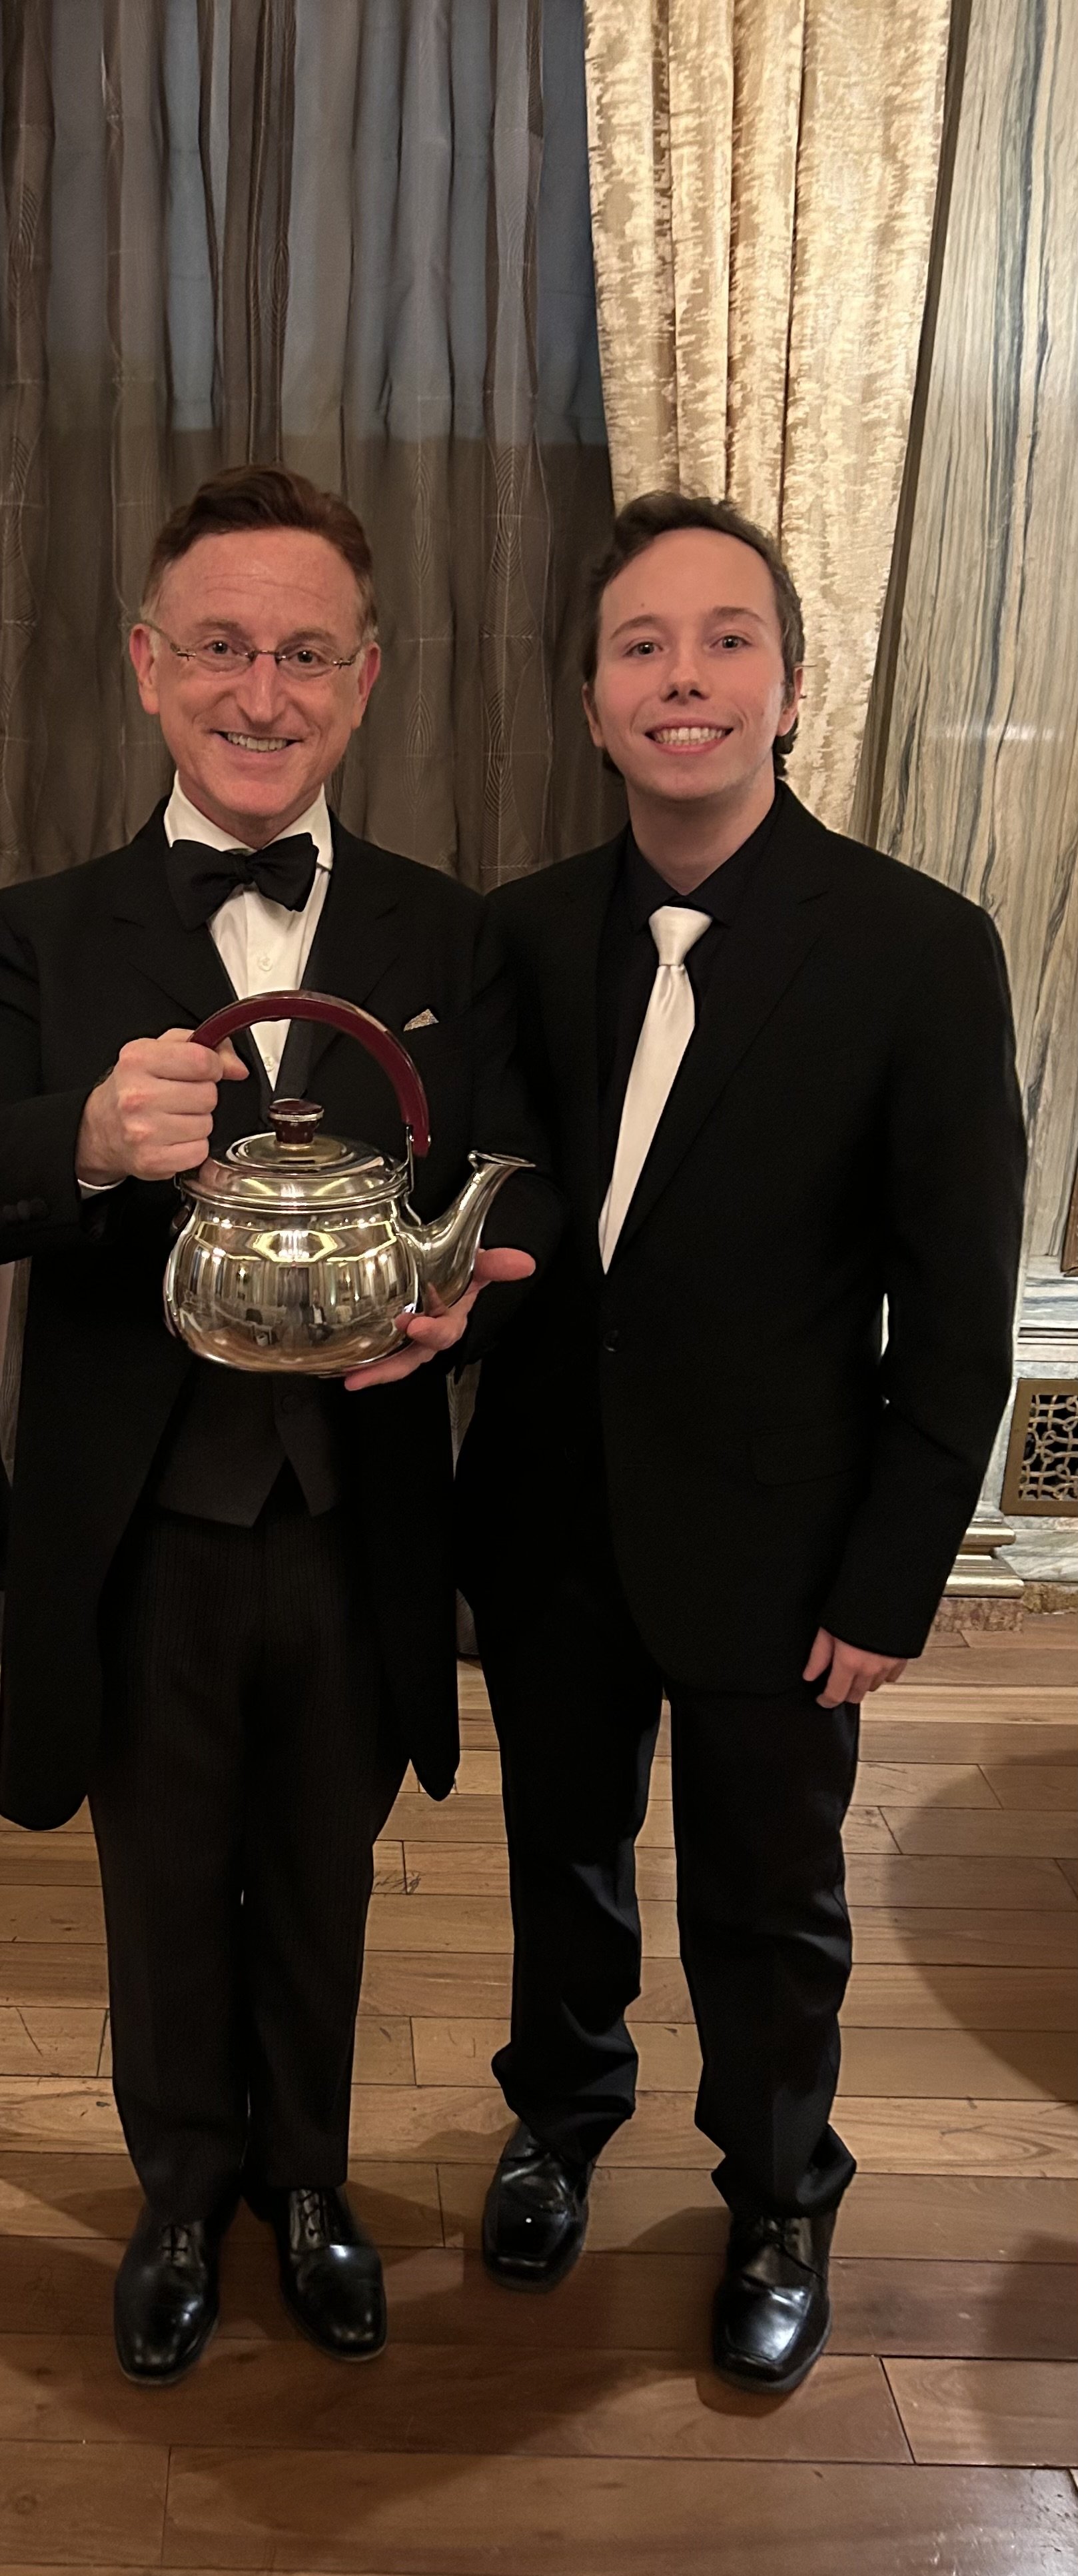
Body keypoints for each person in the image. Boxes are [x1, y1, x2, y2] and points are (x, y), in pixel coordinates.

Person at [457, 490, 1026, 2395]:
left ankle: (778, 2185)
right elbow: (510, 1216)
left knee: (769, 1896)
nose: (680, 677)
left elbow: (952, 1307)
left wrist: (893, 1573)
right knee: (561, 1855)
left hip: (786, 1540)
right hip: (547, 1517)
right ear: (595, 698)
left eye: (721, 641)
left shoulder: (915, 949)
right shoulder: (519, 934)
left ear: (787, 686)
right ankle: (559, 2113)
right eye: (639, 646)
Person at [0, 464, 559, 2385]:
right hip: (133, 1521)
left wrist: (468, 1303)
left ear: (367, 677)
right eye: (222, 648)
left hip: (360, 1510)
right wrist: (75, 1139)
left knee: (323, 1868)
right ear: (147, 668)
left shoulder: (446, 930)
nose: (263, 690)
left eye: (304, 652)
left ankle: (307, 2182)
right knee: (160, 1880)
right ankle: (179, 2189)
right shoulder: (41, 932)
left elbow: (524, 1182)